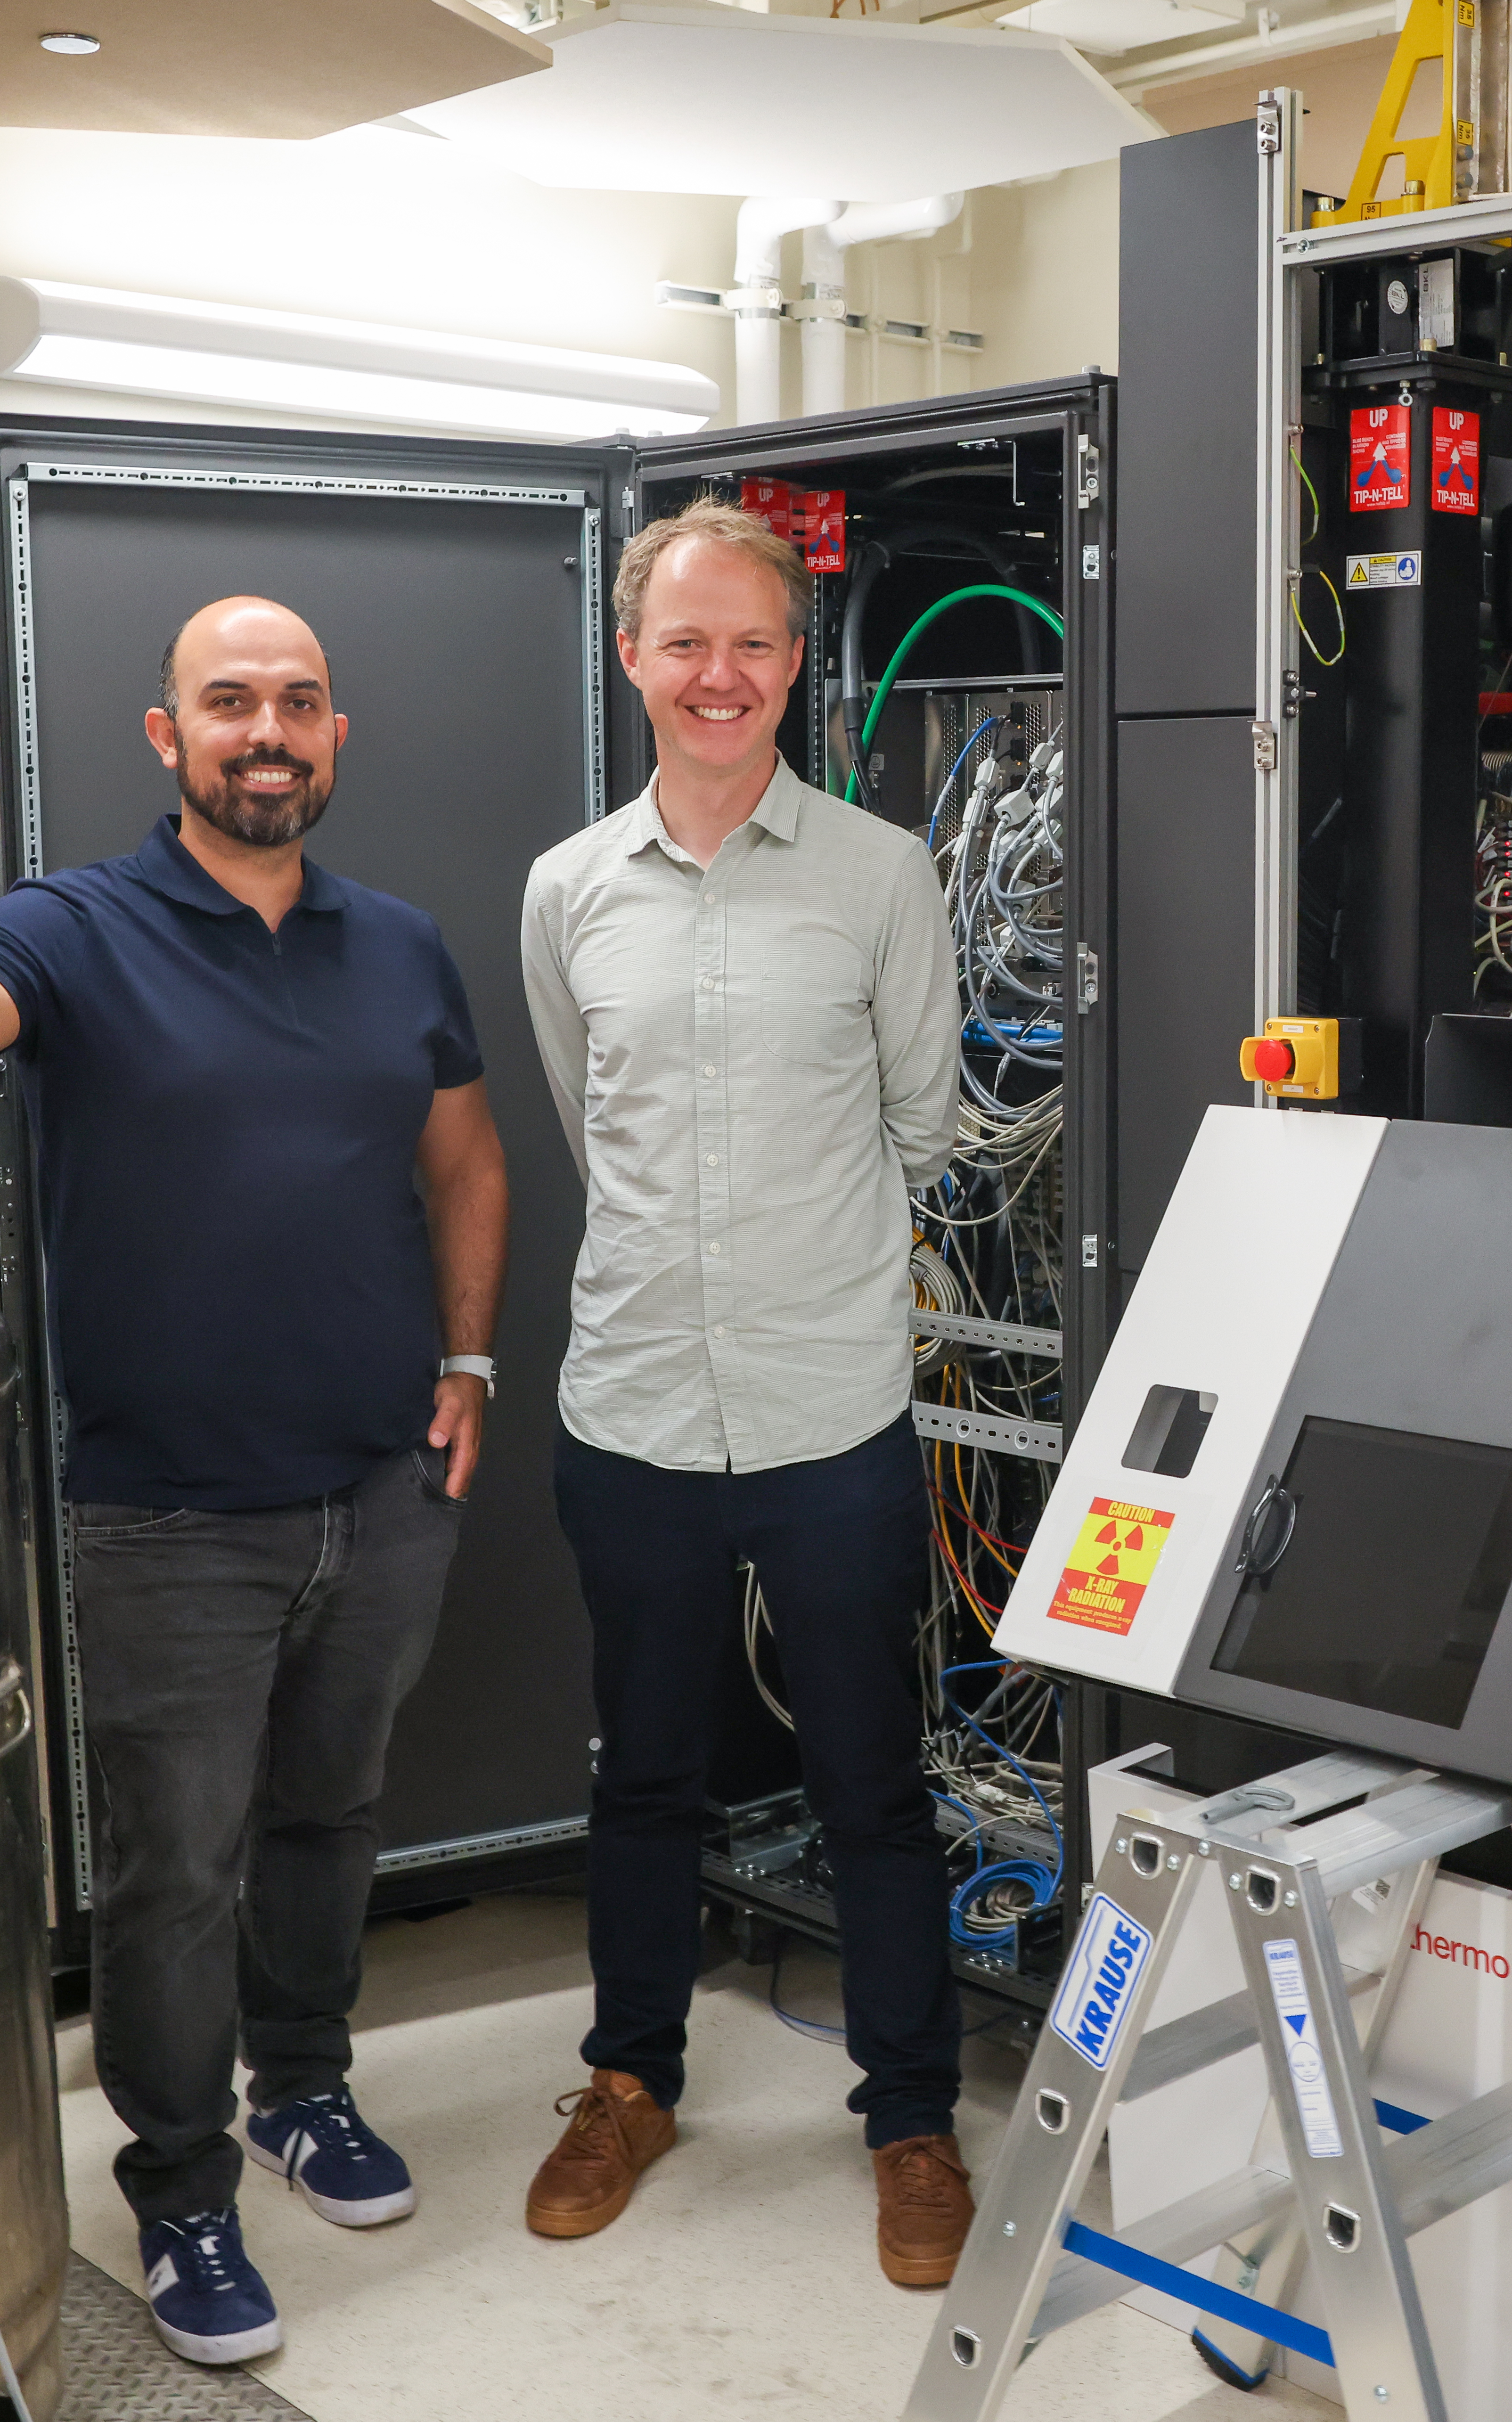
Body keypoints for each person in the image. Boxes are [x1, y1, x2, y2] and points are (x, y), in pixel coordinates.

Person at [0, 597, 508, 2368]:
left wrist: (467, 1362)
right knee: (175, 1864)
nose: (272, 729)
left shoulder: (399, 945)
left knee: (331, 1820)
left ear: (339, 740)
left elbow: (467, 1158)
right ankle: (179, 2186)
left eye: (302, 702)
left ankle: (302, 2092)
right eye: (231, 701)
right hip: (170, 1510)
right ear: (167, 739)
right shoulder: (78, 927)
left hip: (381, 1488)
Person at [515, 500, 977, 2287]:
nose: (723, 676)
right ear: (633, 656)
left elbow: (925, 1126)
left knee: (872, 1775)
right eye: (688, 643)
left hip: (831, 1411)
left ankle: (912, 2115)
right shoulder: (568, 888)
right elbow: (588, 1116)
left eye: (757, 644)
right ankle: (630, 2077)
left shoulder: (879, 874)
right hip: (630, 1402)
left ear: (801, 661)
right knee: (644, 1770)